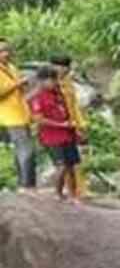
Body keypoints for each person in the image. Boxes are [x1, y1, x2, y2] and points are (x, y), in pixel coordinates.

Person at [28, 67, 83, 202]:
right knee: (61, 165)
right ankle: (57, 193)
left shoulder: (59, 94)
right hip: (51, 137)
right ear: (41, 81)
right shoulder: (37, 97)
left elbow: (67, 111)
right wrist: (61, 125)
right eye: (50, 80)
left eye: (54, 79)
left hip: (67, 134)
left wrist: (75, 129)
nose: (53, 82)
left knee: (72, 164)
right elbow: (39, 119)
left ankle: (73, 194)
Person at [50, 55, 88, 199]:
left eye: (65, 67)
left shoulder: (68, 84)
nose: (61, 70)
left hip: (71, 125)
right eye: (58, 66)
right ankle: (62, 191)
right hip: (56, 128)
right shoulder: (49, 85)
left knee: (74, 161)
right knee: (62, 162)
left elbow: (75, 106)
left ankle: (77, 191)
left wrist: (81, 125)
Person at [0, 40, 36, 191]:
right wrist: (17, 84)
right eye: (2, 51)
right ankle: (26, 185)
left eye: (7, 50)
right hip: (9, 116)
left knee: (22, 149)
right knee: (26, 149)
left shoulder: (13, 68)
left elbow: (18, 89)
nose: (6, 54)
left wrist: (23, 85)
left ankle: (24, 183)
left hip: (22, 113)